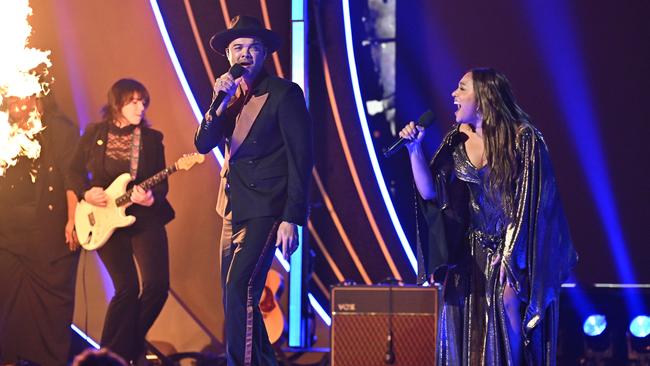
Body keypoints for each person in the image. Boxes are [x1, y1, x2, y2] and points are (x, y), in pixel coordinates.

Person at [399, 68, 577, 365]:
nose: (453, 94)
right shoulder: (456, 141)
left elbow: (535, 203)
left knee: (508, 305)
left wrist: (511, 253)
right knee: (458, 318)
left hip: (517, 250)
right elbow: (431, 193)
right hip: (472, 253)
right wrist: (414, 150)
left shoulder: (525, 138)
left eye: (462, 88)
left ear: (483, 98)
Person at [194, 15, 313, 366]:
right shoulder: (229, 97)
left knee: (240, 289)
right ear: (228, 55)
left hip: (267, 207)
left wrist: (292, 217)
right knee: (235, 299)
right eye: (238, 48)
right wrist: (218, 102)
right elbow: (203, 144)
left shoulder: (283, 94)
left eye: (253, 48)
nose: (245, 54)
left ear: (263, 55)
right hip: (232, 206)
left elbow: (301, 158)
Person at [68, 79, 175, 363]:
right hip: (102, 218)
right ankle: (116, 354)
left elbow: (161, 186)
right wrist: (86, 192)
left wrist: (150, 197)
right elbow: (72, 172)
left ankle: (116, 352)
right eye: (133, 101)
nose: (140, 107)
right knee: (126, 288)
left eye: (143, 102)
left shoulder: (152, 139)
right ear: (117, 104)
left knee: (156, 285)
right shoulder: (94, 133)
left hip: (143, 218)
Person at [0, 93, 81, 365]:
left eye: (26, 100)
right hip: (8, 234)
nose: (20, 106)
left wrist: (73, 218)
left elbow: (72, 175)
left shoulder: (58, 128)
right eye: (13, 102)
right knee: (8, 310)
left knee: (51, 314)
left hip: (49, 235)